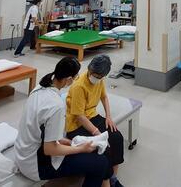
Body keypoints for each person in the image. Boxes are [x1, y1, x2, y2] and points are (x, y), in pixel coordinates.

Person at [14, 56, 112, 186]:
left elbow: (41, 129)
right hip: (36, 166)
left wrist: (65, 141)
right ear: (69, 79)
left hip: (22, 153)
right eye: (76, 77)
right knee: (100, 163)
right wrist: (81, 148)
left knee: (96, 156)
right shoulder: (56, 106)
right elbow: (50, 150)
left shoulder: (39, 88)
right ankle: (110, 181)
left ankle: (111, 182)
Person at [66, 55, 125, 187]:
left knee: (117, 137)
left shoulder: (99, 80)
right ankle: (108, 180)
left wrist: (108, 117)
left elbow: (104, 97)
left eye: (99, 77)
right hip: (76, 125)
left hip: (92, 117)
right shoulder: (79, 86)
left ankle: (113, 178)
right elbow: (79, 116)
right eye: (94, 75)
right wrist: (97, 132)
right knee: (104, 148)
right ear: (90, 69)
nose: (95, 78)